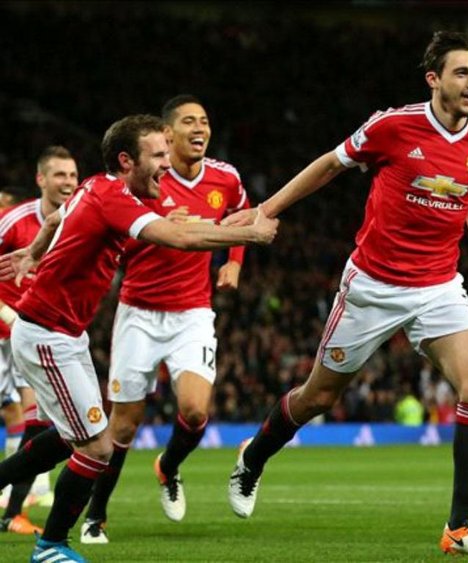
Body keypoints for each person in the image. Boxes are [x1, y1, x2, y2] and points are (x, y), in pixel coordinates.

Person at [223, 31, 468, 561]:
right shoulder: (392, 126)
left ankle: (460, 527)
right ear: (434, 79)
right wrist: (267, 211)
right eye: (461, 73)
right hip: (373, 286)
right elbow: (330, 164)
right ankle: (254, 457)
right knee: (318, 397)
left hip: (440, 286)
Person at [0, 114, 277, 563]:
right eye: (158, 156)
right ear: (127, 160)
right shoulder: (114, 198)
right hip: (48, 336)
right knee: (98, 446)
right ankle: (50, 547)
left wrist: (34, 253)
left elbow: (54, 222)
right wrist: (248, 233)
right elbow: (180, 239)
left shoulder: (97, 187)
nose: (167, 166)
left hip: (63, 336)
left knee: (70, 438)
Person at [80, 95, 250, 544]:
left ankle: (168, 468)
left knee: (195, 411)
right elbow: (118, 245)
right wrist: (162, 229)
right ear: (168, 135)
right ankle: (96, 515)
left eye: (206, 121)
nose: (200, 128)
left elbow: (240, 218)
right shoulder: (145, 181)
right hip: (139, 312)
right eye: (189, 122)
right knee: (124, 424)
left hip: (192, 313)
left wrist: (233, 261)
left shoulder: (226, 178)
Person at [0, 147, 78, 534]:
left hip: (34, 338)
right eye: (59, 175)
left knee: (36, 422)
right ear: (41, 180)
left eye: (72, 175)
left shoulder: (77, 221)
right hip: (3, 333)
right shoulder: (12, 220)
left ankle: (13, 512)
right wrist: (4, 312)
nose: (67, 182)